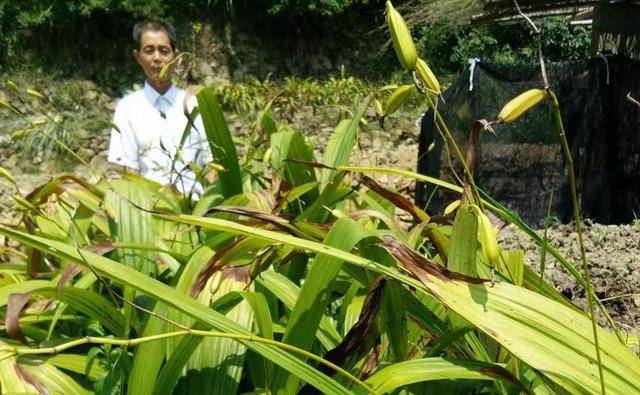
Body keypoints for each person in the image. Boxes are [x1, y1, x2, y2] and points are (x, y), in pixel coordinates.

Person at [107, 20, 212, 196]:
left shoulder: (195, 104)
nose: (157, 58)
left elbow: (211, 164)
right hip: (151, 212)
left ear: (176, 57)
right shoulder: (127, 109)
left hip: (198, 211)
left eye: (164, 51)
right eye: (149, 50)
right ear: (138, 57)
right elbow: (127, 172)